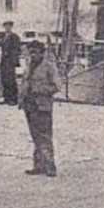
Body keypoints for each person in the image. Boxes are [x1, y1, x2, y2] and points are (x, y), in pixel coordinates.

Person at [18, 41, 60, 177]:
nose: (33, 55)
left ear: (42, 52)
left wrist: (40, 90)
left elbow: (56, 86)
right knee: (35, 136)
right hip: (29, 105)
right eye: (31, 52)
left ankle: (50, 166)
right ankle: (38, 165)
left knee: (45, 136)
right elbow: (24, 82)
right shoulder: (29, 66)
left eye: (36, 52)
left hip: (42, 105)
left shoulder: (49, 66)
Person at [0, 21, 23, 104]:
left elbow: (17, 49)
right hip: (4, 62)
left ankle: (13, 99)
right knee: (4, 80)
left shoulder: (14, 37)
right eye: (5, 26)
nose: (7, 28)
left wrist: (14, 61)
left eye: (8, 26)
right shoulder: (4, 37)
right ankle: (6, 98)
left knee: (11, 80)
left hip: (10, 62)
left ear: (11, 27)